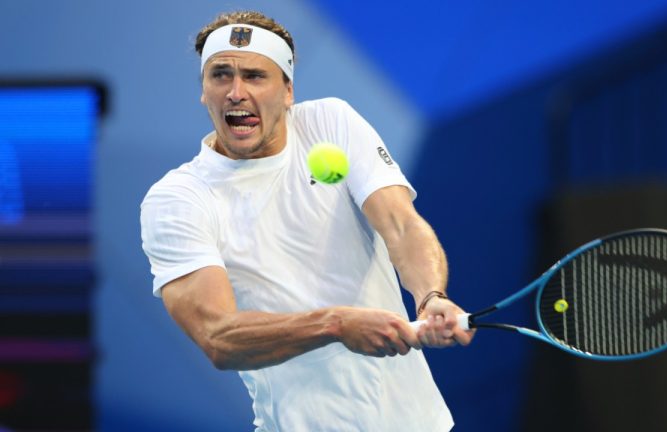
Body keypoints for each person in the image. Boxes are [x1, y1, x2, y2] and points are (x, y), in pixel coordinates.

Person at [140, 10, 473, 431]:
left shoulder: (331, 123)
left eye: (255, 76)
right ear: (204, 92)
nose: (236, 93)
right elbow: (218, 336)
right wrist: (335, 324)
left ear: (288, 92)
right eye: (221, 75)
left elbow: (401, 224)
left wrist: (430, 297)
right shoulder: (177, 199)